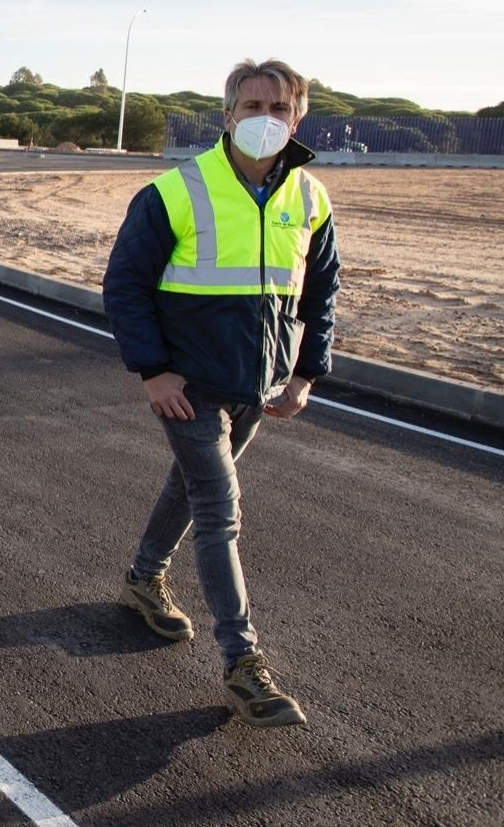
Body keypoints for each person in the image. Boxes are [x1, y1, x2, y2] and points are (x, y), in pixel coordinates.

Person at [102, 58, 339, 728]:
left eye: (279, 108)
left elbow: (322, 294)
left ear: (298, 117)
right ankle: (242, 660)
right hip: (188, 383)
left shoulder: (310, 198)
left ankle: (144, 576)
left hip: (256, 385)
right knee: (219, 504)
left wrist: (304, 374)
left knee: (192, 482)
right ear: (227, 113)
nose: (265, 118)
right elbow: (123, 285)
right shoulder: (178, 190)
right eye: (252, 105)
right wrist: (152, 370)